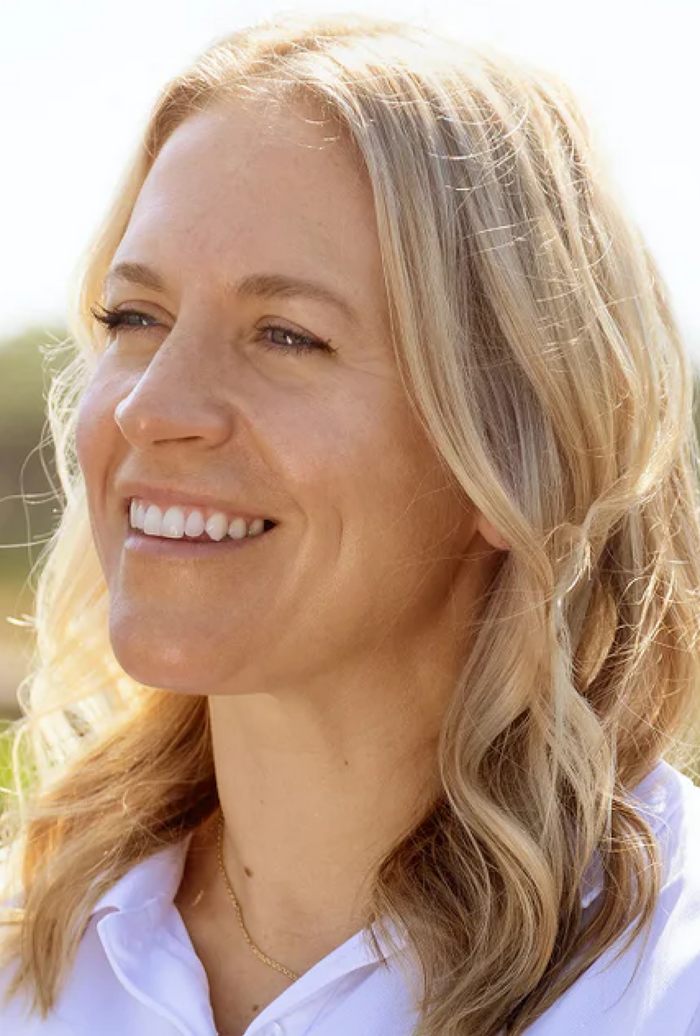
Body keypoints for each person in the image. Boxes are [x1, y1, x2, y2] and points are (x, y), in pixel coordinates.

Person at [1, 9, 700, 1036]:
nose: (151, 407)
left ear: (513, 444)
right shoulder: (31, 961)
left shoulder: (661, 984)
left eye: (285, 334)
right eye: (134, 318)